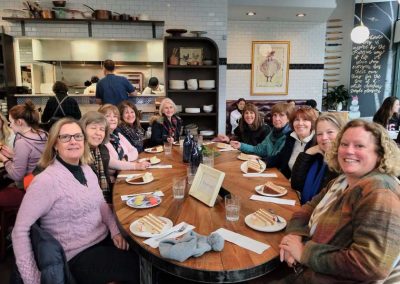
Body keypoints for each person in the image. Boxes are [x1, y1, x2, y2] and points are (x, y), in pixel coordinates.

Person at [12, 118, 140, 284]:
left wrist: (115, 230)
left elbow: (101, 205)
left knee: (144, 256)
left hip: (103, 240)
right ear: (55, 144)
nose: (73, 141)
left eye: (78, 136)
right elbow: (20, 231)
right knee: (140, 268)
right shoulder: (46, 181)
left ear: (84, 141)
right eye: (65, 137)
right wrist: (32, 279)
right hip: (76, 255)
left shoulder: (86, 169)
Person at [279, 119, 400, 283]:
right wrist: (294, 237)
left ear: (379, 154)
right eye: (344, 144)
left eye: (359, 146)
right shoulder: (342, 181)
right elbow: (306, 209)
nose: (349, 151)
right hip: (307, 271)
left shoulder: (380, 191)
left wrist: (303, 252)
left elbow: (372, 265)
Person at [291, 113, 345, 204]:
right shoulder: (317, 156)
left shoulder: (343, 164)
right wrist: (308, 153)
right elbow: (296, 184)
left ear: (342, 133)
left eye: (330, 132)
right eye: (319, 134)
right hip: (305, 208)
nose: (324, 137)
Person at [0, 101, 47, 190]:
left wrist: (4, 159)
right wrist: (14, 155)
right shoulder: (43, 134)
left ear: (19, 122)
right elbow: (33, 159)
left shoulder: (22, 142)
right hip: (44, 183)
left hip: (31, 187)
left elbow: (16, 175)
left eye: (11, 122)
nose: (10, 125)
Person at [98, 104, 150, 182]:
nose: (112, 119)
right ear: (100, 119)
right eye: (108, 116)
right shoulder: (100, 137)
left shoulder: (117, 134)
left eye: (115, 116)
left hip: (125, 173)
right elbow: (111, 163)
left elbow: (134, 150)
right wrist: (135, 166)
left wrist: (125, 158)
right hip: (113, 181)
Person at [266, 106, 317, 179]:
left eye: (305, 119)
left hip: (303, 188)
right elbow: (281, 157)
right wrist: (262, 162)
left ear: (312, 123)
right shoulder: (291, 137)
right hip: (286, 181)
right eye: (297, 119)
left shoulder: (316, 143)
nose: (300, 123)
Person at [80, 111, 113, 204]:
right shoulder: (77, 153)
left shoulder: (102, 150)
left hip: (104, 203)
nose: (98, 133)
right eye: (93, 128)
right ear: (82, 130)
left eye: (102, 129)